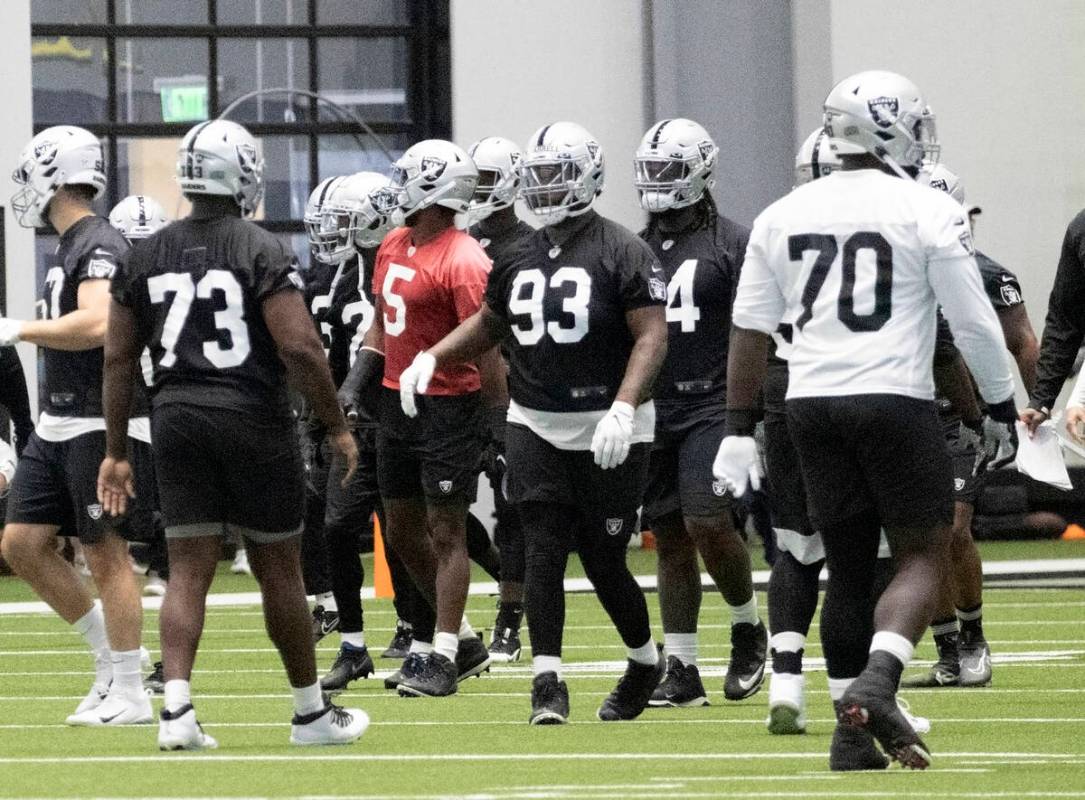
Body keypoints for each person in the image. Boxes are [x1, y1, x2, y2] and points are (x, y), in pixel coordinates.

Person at [714, 71, 1017, 770]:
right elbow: (970, 325)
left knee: (845, 567)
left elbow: (748, 330)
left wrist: (736, 427)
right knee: (922, 550)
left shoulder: (780, 214)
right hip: (892, 396)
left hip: (808, 406)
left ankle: (849, 736)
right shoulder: (923, 208)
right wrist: (998, 404)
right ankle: (878, 685)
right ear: (896, 128)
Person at [96, 119, 367, 749]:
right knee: (279, 567)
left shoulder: (145, 253)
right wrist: (336, 425)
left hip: (176, 418)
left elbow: (116, 359)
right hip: (251, 417)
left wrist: (115, 450)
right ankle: (309, 715)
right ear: (242, 173)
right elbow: (300, 347)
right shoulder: (261, 248)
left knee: (188, 567)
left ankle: (177, 713)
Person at [399, 121, 669, 724]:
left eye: (558, 175)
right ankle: (548, 683)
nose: (546, 187)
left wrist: (625, 405)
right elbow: (492, 324)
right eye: (539, 175)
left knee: (603, 559)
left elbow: (652, 335)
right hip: (536, 420)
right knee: (543, 548)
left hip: (609, 423)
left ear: (588, 177)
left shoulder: (624, 248)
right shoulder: (516, 252)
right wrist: (433, 356)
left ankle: (644, 661)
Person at [0, 125, 154, 727]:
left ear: (55, 175)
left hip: (99, 414)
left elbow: (96, 324)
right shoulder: (69, 244)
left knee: (104, 551)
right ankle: (108, 664)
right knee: (21, 543)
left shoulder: (98, 243)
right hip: (60, 417)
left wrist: (17, 329)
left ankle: (133, 692)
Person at [347, 139, 498, 698]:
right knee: (401, 528)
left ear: (435, 188)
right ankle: (461, 637)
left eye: (409, 176)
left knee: (447, 530)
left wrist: (496, 422)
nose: (398, 185)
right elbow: (382, 325)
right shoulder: (392, 243)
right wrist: (353, 384)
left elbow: (487, 342)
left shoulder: (465, 259)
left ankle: (441, 655)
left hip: (449, 405)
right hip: (397, 402)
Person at [632, 118, 766, 708]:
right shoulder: (634, 247)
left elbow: (755, 327)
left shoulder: (734, 243)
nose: (658, 184)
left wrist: (751, 411)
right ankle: (682, 667)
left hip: (713, 400)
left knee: (709, 520)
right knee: (670, 537)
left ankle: (746, 625)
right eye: (652, 171)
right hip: (657, 406)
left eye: (669, 170)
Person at [902, 164, 1039, 690]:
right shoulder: (892, 269)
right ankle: (945, 650)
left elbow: (1022, 339)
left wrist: (1038, 405)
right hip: (907, 410)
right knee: (917, 535)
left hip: (964, 416)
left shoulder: (985, 272)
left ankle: (974, 638)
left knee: (952, 529)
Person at [301, 170, 395, 691]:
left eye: (340, 221)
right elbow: (333, 354)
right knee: (338, 527)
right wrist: (322, 418)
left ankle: (449, 638)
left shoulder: (395, 260)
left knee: (412, 534)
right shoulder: (342, 273)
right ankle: (354, 643)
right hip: (355, 421)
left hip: (400, 413)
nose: (329, 233)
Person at [467, 135, 534, 662]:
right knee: (439, 508)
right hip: (458, 391)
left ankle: (509, 617)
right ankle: (506, 579)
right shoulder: (461, 242)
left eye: (487, 181)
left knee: (512, 507)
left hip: (516, 389)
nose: (480, 192)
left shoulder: (530, 245)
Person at [109, 193, 172, 601]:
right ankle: (134, 555)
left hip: (166, 395)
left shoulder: (175, 283)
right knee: (135, 487)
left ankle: (163, 567)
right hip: (129, 400)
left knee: (167, 491)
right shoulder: (113, 285)